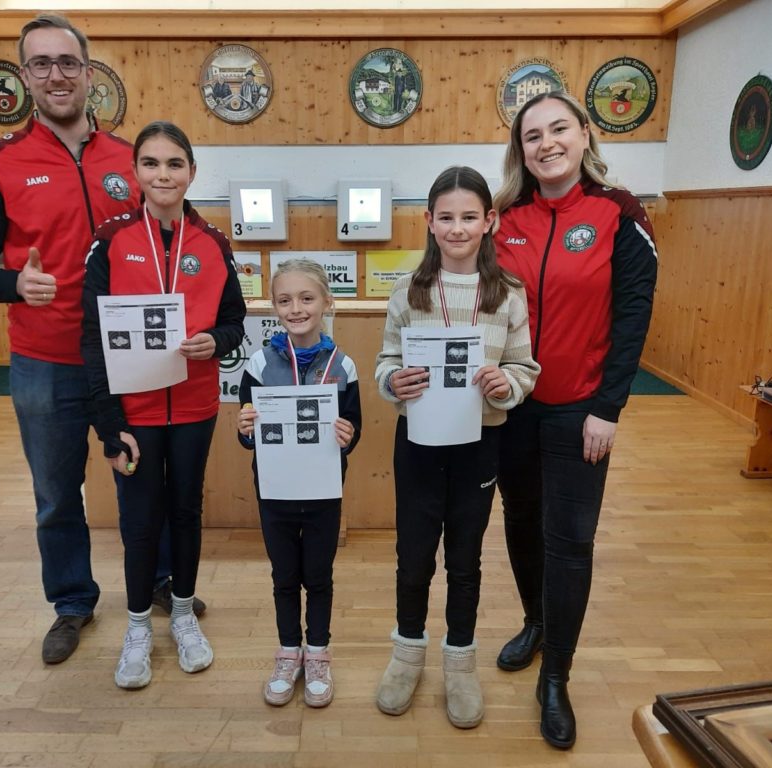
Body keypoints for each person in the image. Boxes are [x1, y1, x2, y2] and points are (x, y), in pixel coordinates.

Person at [0, 15, 203, 667]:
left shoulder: (131, 158)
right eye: (41, 63)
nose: (56, 75)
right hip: (47, 361)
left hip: (136, 360)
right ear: (24, 75)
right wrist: (12, 284)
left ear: (88, 74)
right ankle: (71, 601)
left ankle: (162, 581)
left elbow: (182, 234)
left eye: (67, 62)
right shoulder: (1, 163)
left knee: (145, 482)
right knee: (58, 492)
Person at [492, 91, 658, 749]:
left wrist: (607, 408)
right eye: (532, 136)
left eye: (559, 129)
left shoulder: (619, 212)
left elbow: (634, 314)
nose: (547, 144)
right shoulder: (505, 217)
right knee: (521, 521)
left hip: (579, 409)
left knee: (570, 540)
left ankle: (555, 675)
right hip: (512, 408)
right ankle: (536, 621)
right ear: (521, 151)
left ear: (585, 135)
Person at [80, 121, 245, 689]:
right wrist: (109, 423)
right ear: (135, 173)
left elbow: (234, 321)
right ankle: (135, 628)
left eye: (174, 163)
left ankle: (181, 611)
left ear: (192, 172)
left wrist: (215, 342)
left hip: (195, 408)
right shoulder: (111, 240)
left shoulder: (213, 243)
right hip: (136, 414)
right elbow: (92, 339)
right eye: (150, 163)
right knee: (140, 519)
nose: (163, 174)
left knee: (186, 511)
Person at [374, 166, 540, 729]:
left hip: (480, 444)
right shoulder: (408, 290)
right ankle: (406, 655)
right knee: (414, 556)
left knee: (465, 558)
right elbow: (386, 361)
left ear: (489, 221)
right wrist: (393, 381)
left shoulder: (508, 292)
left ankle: (460, 663)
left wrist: (506, 384)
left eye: (469, 217)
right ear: (429, 221)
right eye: (446, 217)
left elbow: (523, 365)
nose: (457, 228)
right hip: (419, 444)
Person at [236, 259, 362, 708]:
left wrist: (347, 435)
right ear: (274, 306)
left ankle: (319, 653)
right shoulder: (258, 363)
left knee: (319, 576)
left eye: (306, 298)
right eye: (285, 300)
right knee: (285, 576)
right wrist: (244, 429)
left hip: (324, 493)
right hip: (275, 494)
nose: (296, 309)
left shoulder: (343, 366)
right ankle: (289, 651)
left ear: (326, 302)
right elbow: (247, 432)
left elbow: (354, 428)